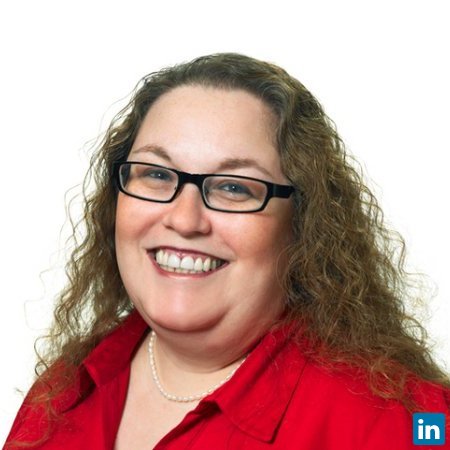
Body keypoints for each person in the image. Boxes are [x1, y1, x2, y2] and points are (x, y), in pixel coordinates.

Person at [4, 53, 449, 449]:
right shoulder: (64, 391)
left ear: (304, 224)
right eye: (156, 175)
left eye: (234, 187)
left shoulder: (407, 423)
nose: (184, 220)